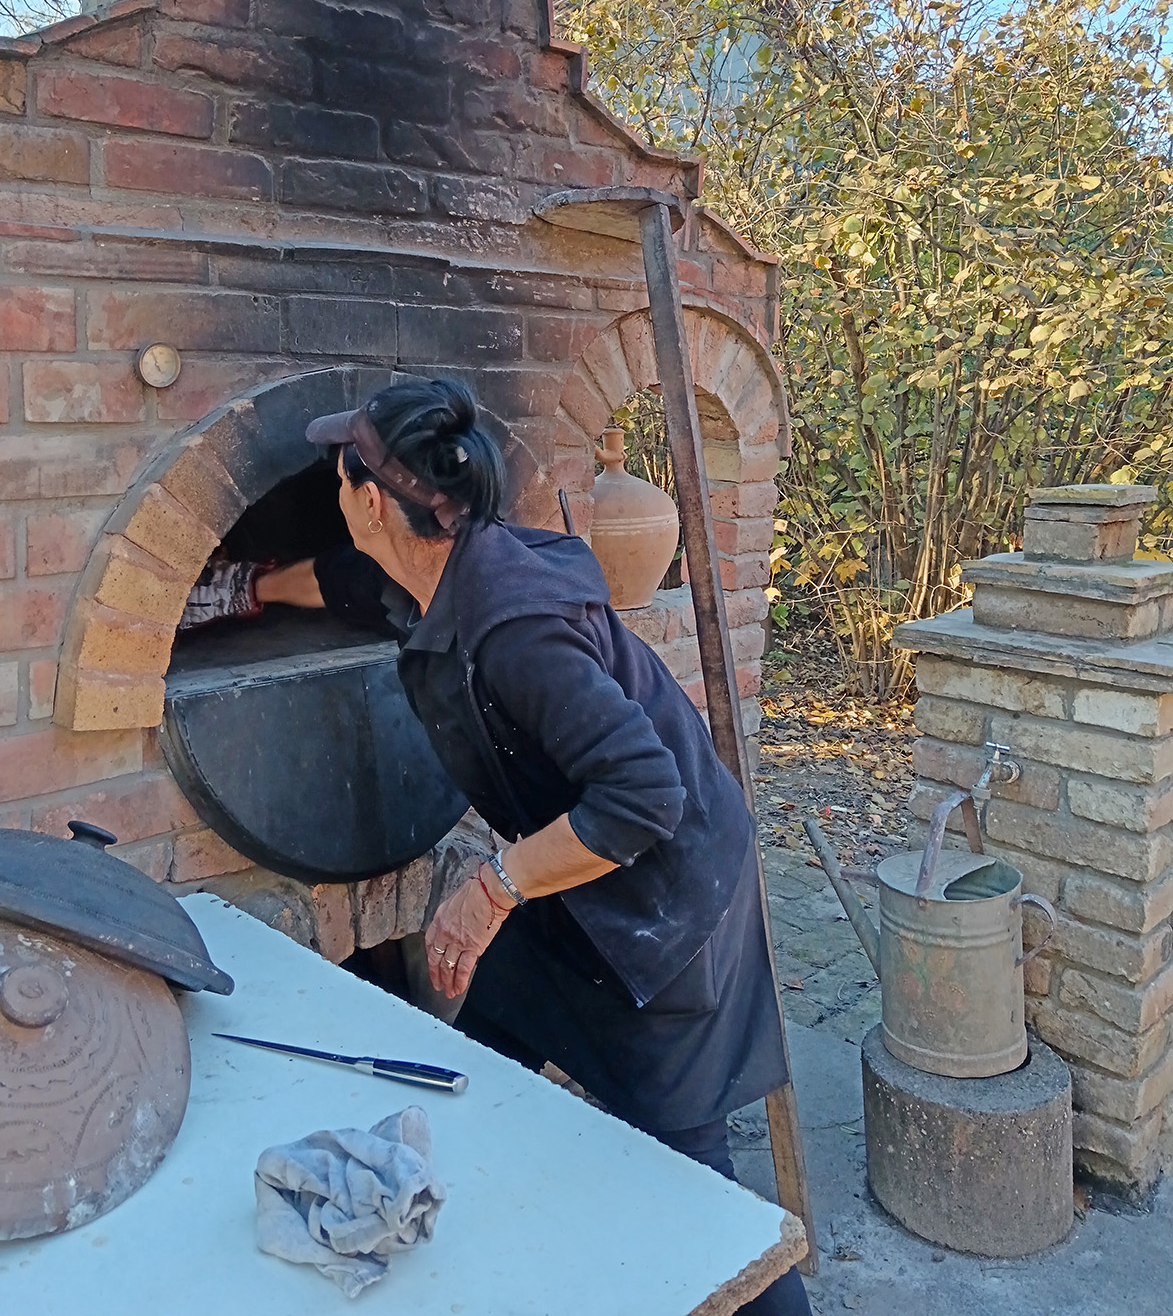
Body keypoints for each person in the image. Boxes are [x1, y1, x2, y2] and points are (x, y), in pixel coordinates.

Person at [184, 377, 811, 1316]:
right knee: (478, 1067)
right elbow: (346, 581)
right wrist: (243, 589)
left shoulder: (515, 631)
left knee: (692, 1187)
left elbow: (645, 796)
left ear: (371, 502)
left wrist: (491, 890)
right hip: (572, 881)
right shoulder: (435, 567)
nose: (334, 484)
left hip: (663, 907)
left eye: (343, 471)